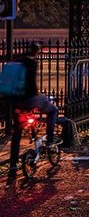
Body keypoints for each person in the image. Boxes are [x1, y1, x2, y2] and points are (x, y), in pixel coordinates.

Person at [6, 42, 60, 179]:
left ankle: (12, 166)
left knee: (16, 134)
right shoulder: (32, 62)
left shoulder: (16, 61)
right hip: (31, 98)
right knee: (52, 110)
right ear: (36, 51)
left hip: (16, 101)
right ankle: (50, 140)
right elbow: (32, 84)